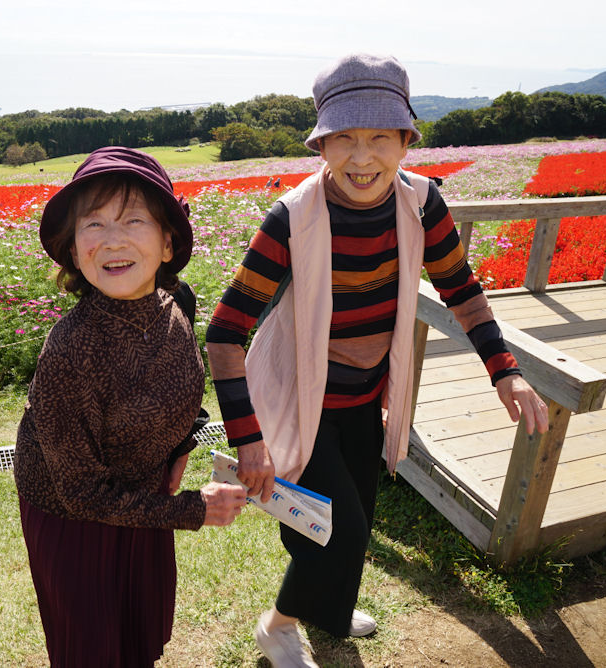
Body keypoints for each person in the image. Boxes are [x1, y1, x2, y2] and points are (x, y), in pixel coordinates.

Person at [205, 54, 550, 667]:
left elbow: (462, 290)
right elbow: (225, 332)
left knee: (353, 515)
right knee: (337, 531)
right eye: (345, 138)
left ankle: (330, 611)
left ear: (405, 141)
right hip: (298, 400)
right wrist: (248, 439)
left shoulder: (422, 205)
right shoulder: (291, 219)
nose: (362, 158)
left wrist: (508, 371)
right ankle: (278, 626)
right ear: (322, 142)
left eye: (379, 139)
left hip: (366, 396)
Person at [13, 146, 248, 667]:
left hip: (142, 501)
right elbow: (81, 492)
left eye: (134, 220)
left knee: (139, 631)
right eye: (92, 224)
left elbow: (186, 388)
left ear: (168, 242)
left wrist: (182, 445)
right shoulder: (71, 349)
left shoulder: (177, 304)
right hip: (74, 522)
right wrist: (193, 509)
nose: (113, 240)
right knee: (94, 647)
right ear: (74, 251)